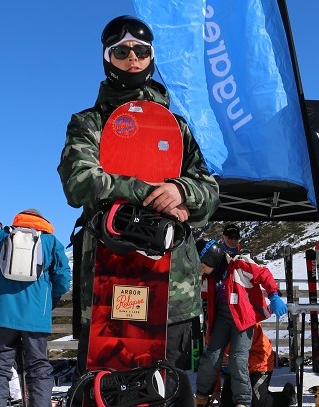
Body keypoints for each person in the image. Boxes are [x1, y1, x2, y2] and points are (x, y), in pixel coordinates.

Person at [57, 15, 220, 389]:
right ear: (107, 58)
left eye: (141, 50)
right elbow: (79, 182)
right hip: (106, 286)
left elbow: (209, 193)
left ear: (151, 57)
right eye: (121, 50)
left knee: (164, 390)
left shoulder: (176, 127)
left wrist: (182, 191)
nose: (132, 57)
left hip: (171, 290)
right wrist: (147, 191)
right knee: (108, 391)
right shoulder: (87, 123)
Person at [194, 239, 287, 407]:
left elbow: (262, 274)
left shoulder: (238, 266)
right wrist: (214, 389)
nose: (201, 270)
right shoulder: (209, 278)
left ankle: (243, 402)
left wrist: (273, 295)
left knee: (237, 359)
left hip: (243, 319)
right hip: (222, 317)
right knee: (211, 356)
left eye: (202, 265)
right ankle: (200, 396)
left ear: (212, 259)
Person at [0, 209, 71, 406]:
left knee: (0, 368)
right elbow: (63, 279)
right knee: (38, 368)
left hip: (2, 315)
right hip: (37, 316)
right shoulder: (51, 242)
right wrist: (51, 301)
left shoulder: (2, 237)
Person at [219, 323, 296, 407]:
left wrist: (235, 360)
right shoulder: (214, 333)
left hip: (260, 366)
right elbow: (212, 364)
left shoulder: (249, 325)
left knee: (258, 403)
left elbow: (262, 356)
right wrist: (216, 390)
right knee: (226, 402)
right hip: (237, 368)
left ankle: (287, 396)